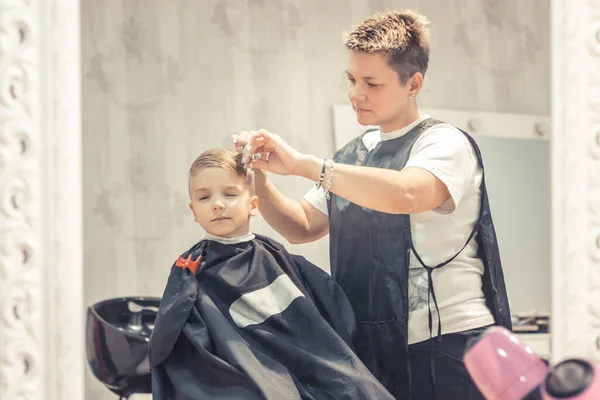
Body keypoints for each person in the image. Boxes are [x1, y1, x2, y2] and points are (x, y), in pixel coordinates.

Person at [232, 9, 511, 400]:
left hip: (449, 346)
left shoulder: (444, 143)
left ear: (413, 83)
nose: (355, 94)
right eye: (351, 79)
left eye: (372, 83)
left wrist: (307, 166)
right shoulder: (350, 156)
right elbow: (301, 225)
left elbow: (408, 193)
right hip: (372, 347)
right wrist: (261, 174)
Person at [149, 148, 394, 400]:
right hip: (245, 379)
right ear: (193, 211)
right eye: (204, 198)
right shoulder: (191, 268)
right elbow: (176, 347)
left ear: (253, 204)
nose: (217, 204)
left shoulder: (274, 255)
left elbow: (323, 316)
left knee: (360, 388)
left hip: (309, 364)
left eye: (230, 193)